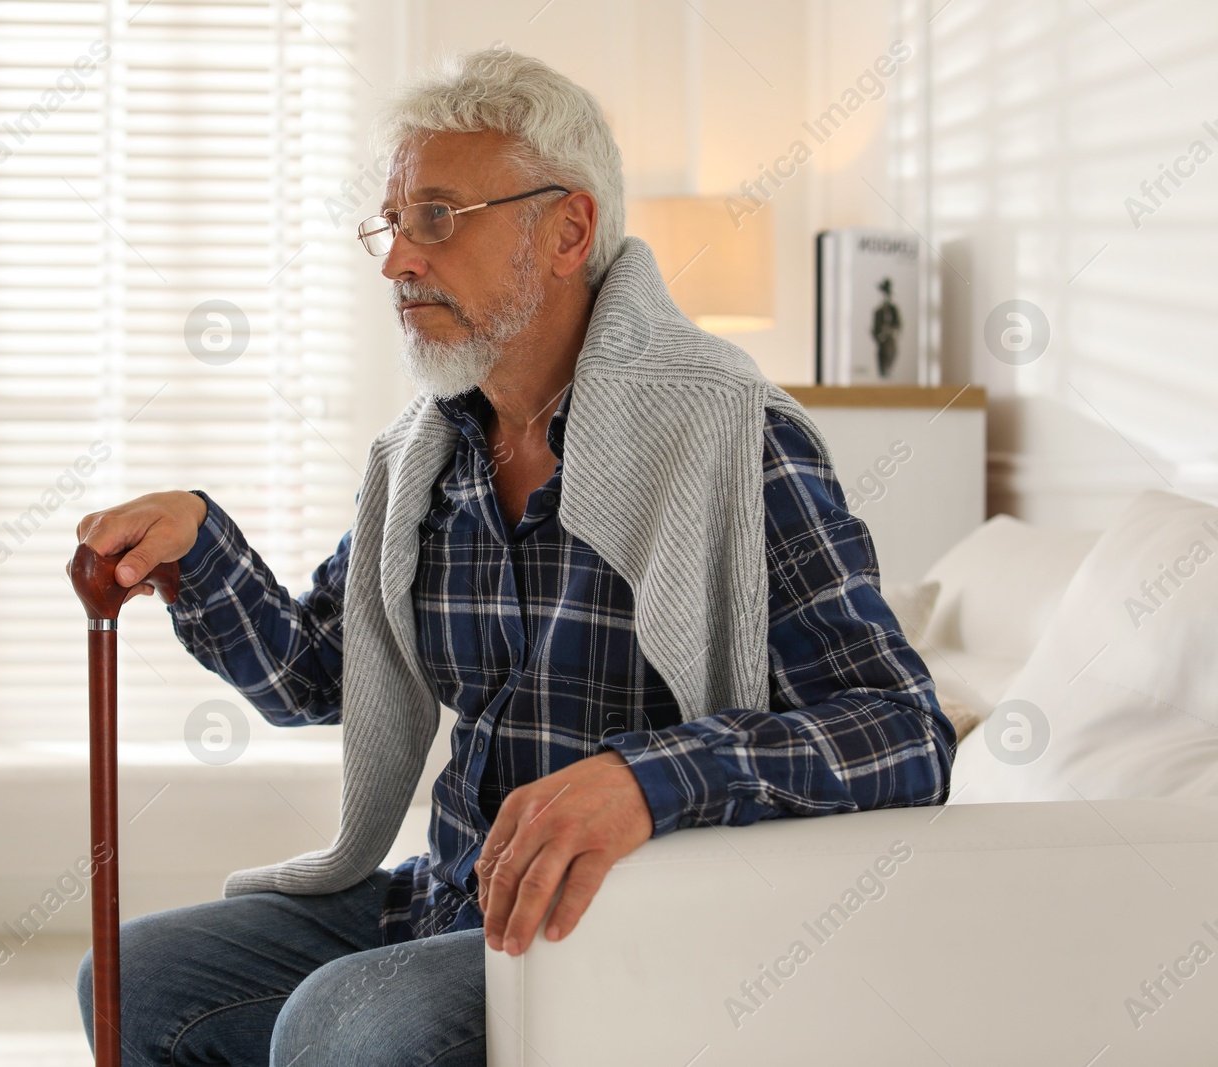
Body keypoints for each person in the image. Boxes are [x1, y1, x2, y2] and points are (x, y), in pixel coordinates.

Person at [74, 46, 954, 1067]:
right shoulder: (424, 455)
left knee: (342, 1025)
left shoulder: (731, 433)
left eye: (438, 218)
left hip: (626, 919)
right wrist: (203, 547)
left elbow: (901, 731)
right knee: (135, 978)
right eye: (393, 225)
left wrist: (643, 778)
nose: (398, 259)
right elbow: (321, 673)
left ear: (568, 227)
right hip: (451, 894)